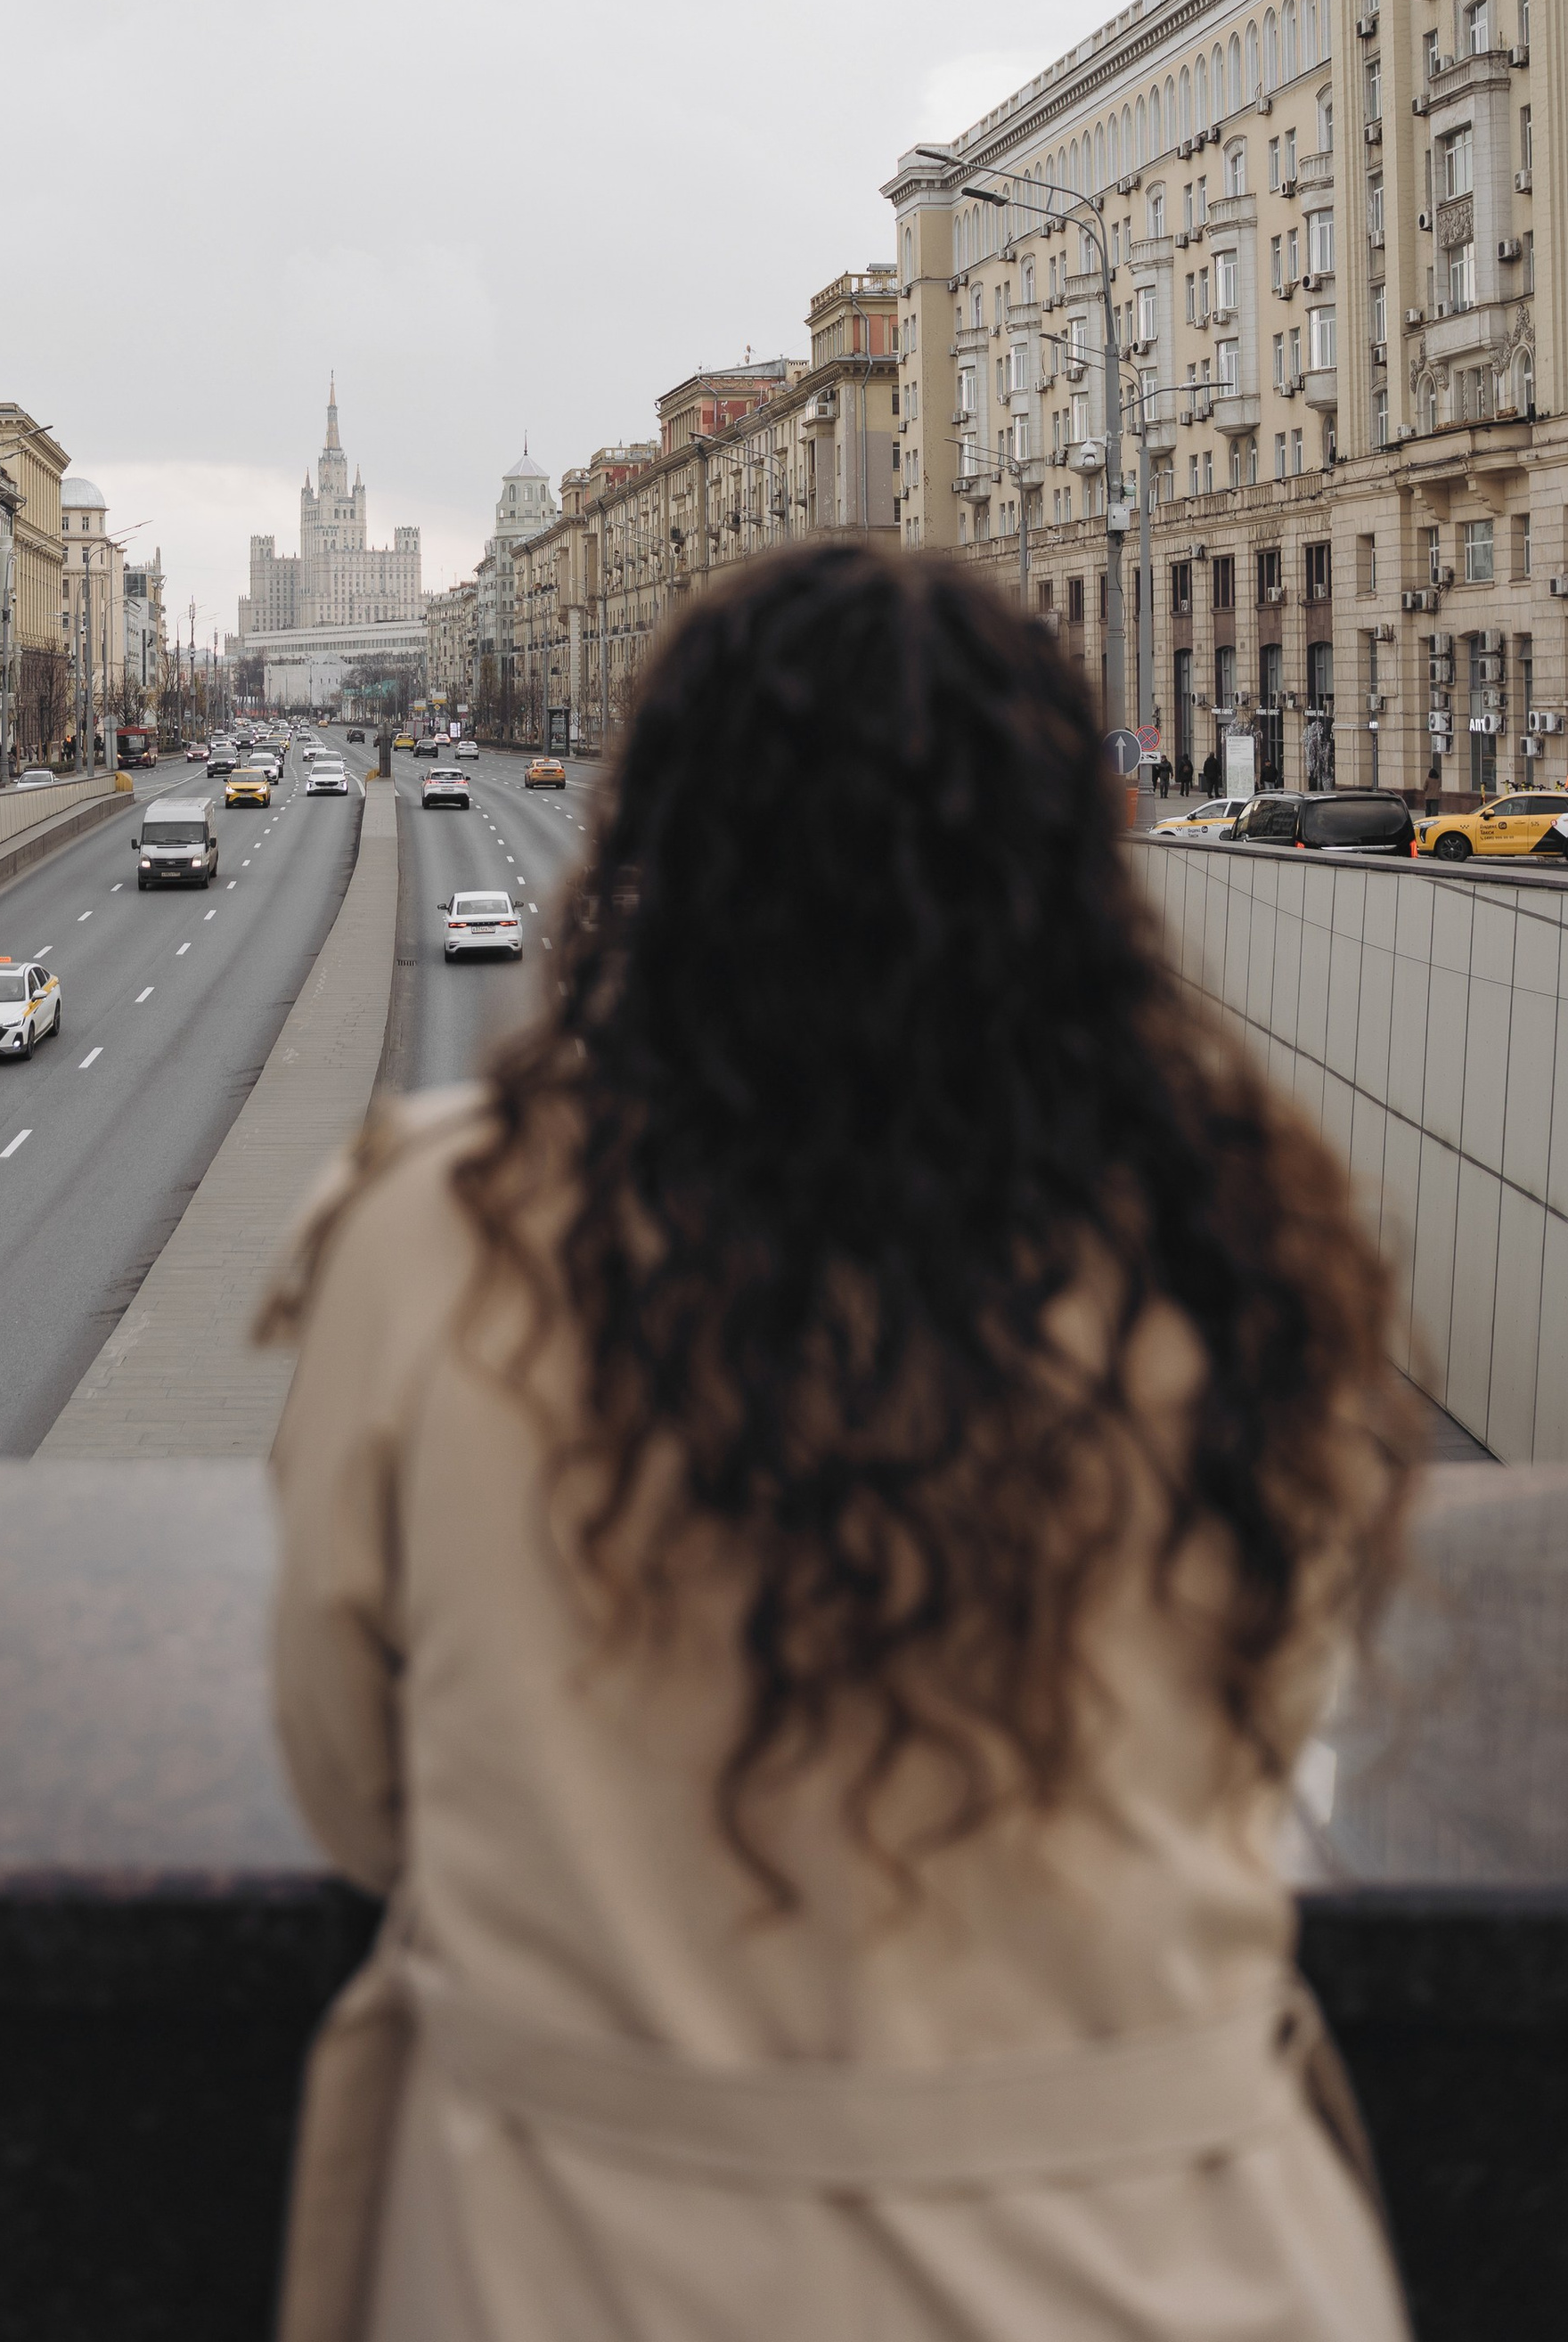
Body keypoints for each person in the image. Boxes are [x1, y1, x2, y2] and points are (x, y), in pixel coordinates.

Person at [261, 547, 1413, 2342]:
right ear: (1066, 871)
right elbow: (1269, 1751)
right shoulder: (1233, 1247)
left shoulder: (436, 1238)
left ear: (675, 851)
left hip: (568, 2262)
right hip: (1177, 2268)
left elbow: (353, 1786)